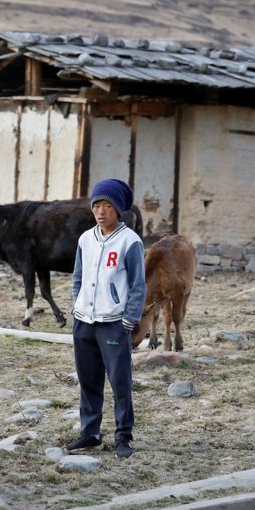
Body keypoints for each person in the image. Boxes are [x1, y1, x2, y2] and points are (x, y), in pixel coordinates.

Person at [65, 178, 146, 459]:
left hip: (113, 323)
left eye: (107, 205)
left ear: (118, 209)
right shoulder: (86, 239)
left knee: (119, 382)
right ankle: (90, 433)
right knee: (88, 380)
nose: (100, 211)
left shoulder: (129, 241)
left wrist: (129, 320)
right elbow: (78, 276)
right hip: (84, 321)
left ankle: (123, 436)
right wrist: (77, 304)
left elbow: (138, 286)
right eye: (96, 205)